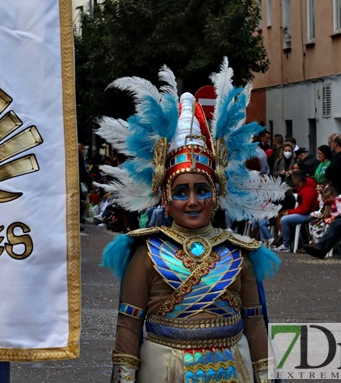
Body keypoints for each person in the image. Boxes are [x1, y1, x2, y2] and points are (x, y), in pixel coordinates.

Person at [97, 61, 286, 383]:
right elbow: (129, 324)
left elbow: (255, 322)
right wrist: (124, 377)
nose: (194, 201)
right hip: (163, 367)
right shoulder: (145, 252)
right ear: (166, 199)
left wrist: (266, 375)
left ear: (216, 195)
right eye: (182, 192)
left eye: (202, 190)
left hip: (233, 366)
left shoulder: (239, 254)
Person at [274, 170, 318, 253]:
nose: (293, 181)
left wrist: (290, 212)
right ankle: (286, 243)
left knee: (284, 219)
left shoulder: (308, 191)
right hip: (305, 213)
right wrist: (292, 212)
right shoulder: (303, 189)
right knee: (285, 218)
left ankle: (286, 245)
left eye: (293, 179)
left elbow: (305, 208)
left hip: (308, 215)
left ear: (297, 180)